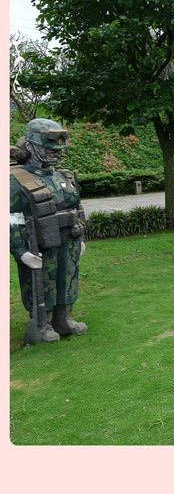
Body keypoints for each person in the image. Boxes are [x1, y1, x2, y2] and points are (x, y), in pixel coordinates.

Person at [10, 118, 88, 345]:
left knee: (68, 278)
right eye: (48, 149)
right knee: (42, 282)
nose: (54, 154)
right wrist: (20, 251)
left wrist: (80, 238)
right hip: (40, 242)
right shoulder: (16, 180)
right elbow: (11, 218)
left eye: (57, 150)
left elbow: (76, 207)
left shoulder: (63, 176)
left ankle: (64, 318)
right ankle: (41, 324)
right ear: (32, 145)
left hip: (68, 239)